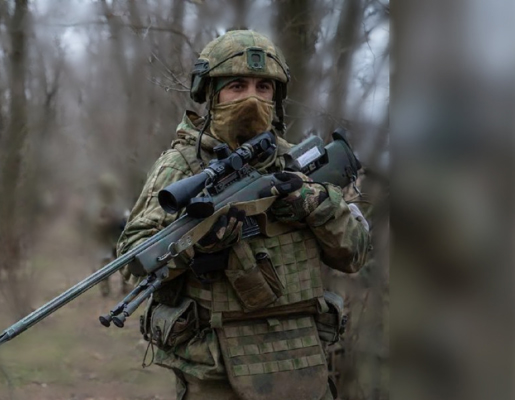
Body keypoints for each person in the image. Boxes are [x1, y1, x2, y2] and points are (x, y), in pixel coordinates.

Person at [116, 30, 371, 400]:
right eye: (237, 85)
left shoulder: (296, 165)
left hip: (303, 364)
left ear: (277, 97)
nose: (252, 98)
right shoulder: (182, 166)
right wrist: (198, 245)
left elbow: (356, 254)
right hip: (216, 372)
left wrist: (316, 205)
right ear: (211, 93)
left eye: (263, 87)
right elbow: (134, 257)